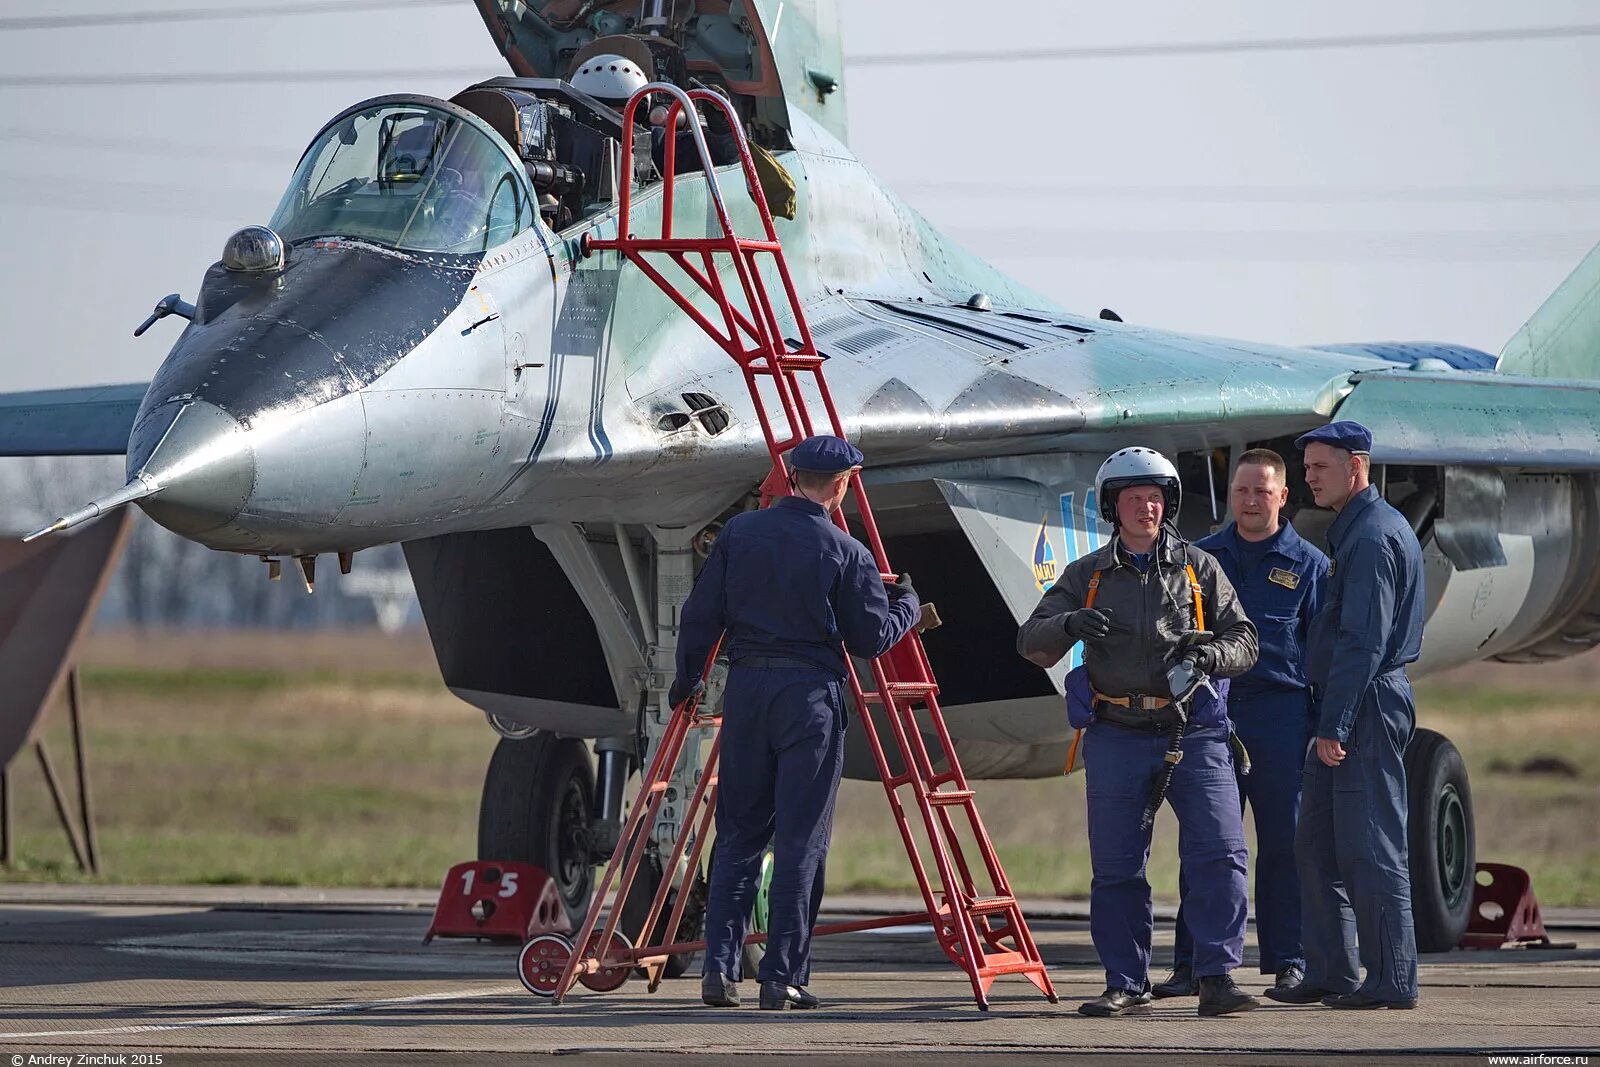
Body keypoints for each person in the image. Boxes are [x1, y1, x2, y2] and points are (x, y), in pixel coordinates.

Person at [673, 435, 921, 1011]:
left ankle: (719, 970)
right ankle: (781, 976)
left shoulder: (739, 533)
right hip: (809, 698)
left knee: (737, 834)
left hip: (747, 692)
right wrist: (907, 605)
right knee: (800, 840)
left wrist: (687, 683)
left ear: (792, 476)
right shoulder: (847, 551)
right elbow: (870, 638)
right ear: (841, 484)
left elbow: (699, 614)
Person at [1018, 447, 1261, 1018]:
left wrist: (1210, 656)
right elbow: (1031, 641)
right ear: (1113, 507)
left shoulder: (1200, 568)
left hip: (1194, 734)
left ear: (1167, 505)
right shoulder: (1086, 575)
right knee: (1117, 867)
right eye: (1133, 498)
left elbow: (1245, 640)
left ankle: (1217, 977)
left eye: (1154, 498)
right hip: (1117, 733)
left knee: (1221, 854)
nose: (1146, 508)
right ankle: (1125, 981)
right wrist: (1070, 622)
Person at [1156, 449, 1327, 1000]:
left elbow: (1323, 652)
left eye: (1262, 491)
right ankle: (1192, 964)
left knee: (1284, 844)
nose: (1250, 501)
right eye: (1242, 491)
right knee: (1205, 843)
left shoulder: (1310, 566)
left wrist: (1322, 725)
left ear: (1283, 497)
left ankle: (1289, 960)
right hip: (1213, 710)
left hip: (1280, 715)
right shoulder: (1200, 558)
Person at [1272, 421, 1424, 1009]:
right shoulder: (1355, 529)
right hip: (1342, 702)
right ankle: (1332, 970)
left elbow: (1364, 641)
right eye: (1307, 466)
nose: (1308, 477)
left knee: (1372, 848)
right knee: (1316, 845)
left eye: (1320, 467)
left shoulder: (1372, 537)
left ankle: (1392, 980)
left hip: (1365, 705)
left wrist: (1334, 725)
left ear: (1355, 467)